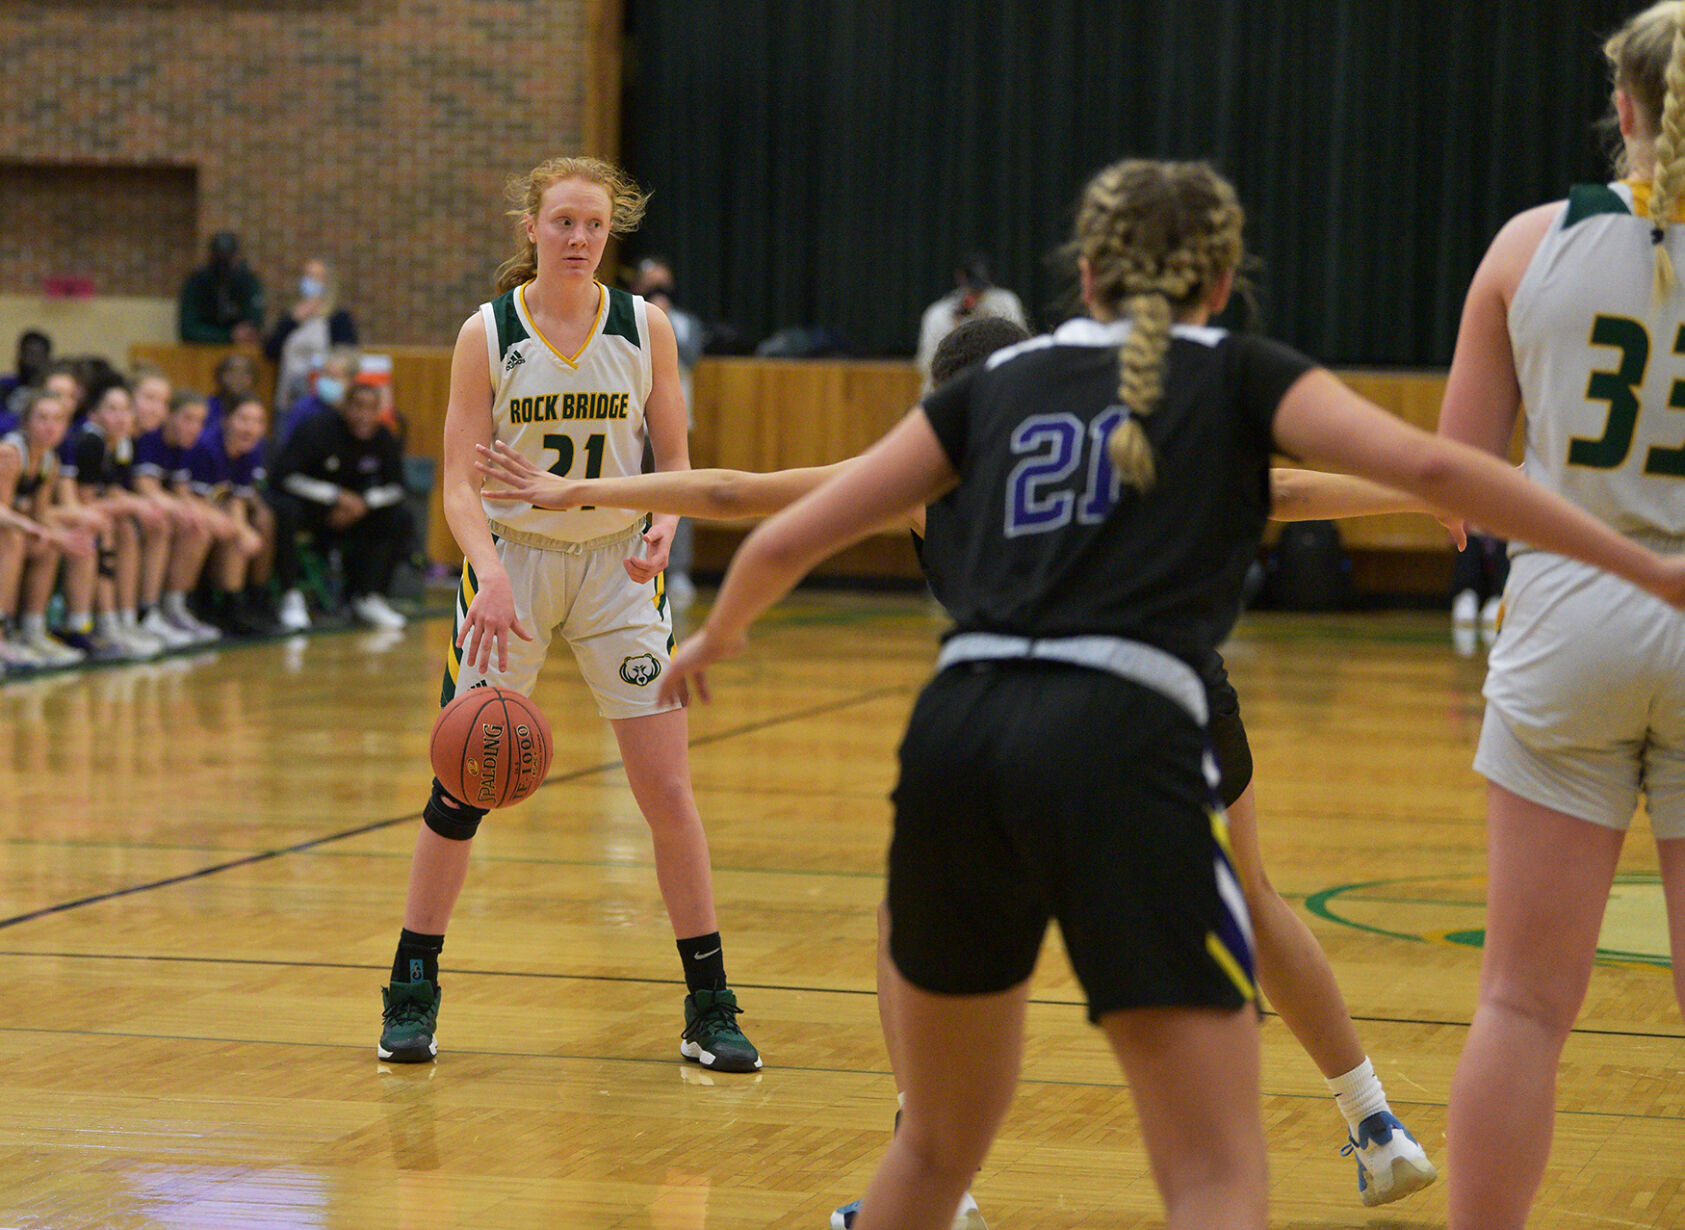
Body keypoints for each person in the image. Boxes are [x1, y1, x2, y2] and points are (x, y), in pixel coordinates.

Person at [648, 158, 1685, 1230]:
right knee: (1211, 1177)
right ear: (1223, 278)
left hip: (958, 736)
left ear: (1085, 272)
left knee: (933, 1155)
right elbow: (1436, 471)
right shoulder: (1233, 372)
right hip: (1123, 735)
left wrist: (715, 635)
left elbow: (776, 529)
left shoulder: (989, 389)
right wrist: (1639, 563)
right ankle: (1368, 1118)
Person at [478, 316, 1454, 1224]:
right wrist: (1424, 490)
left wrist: (583, 491)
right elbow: (1282, 492)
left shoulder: (929, 478)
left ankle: (931, 1164)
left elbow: (740, 493)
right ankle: (1374, 1122)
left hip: (1034, 715)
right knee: (1248, 898)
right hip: (1183, 698)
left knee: (908, 925)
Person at [375, 154, 761, 1075]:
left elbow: (673, 454)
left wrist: (665, 524)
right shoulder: (487, 333)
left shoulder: (644, 327)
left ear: (609, 232)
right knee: (461, 782)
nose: (580, 239)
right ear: (532, 229)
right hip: (514, 564)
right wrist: (486, 573)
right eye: (564, 224)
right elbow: (462, 488)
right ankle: (411, 988)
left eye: (594, 225)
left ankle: (709, 1003)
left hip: (616, 568)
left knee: (667, 793)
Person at [1436, 6, 1685, 1226]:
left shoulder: (1525, 244)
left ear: (1624, 108)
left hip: (1569, 611)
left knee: (1521, 1005)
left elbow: (1457, 484)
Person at [268, 380, 412, 630]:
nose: (364, 415)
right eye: (358, 407)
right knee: (285, 511)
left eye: (371, 408)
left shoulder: (383, 437)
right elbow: (284, 477)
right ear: (344, 407)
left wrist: (364, 503)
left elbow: (398, 487)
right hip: (310, 509)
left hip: (355, 514)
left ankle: (367, 596)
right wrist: (334, 496)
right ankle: (290, 595)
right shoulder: (317, 429)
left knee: (400, 517)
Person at [629, 256, 703, 606]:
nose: (658, 289)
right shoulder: (624, 319)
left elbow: (687, 357)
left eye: (664, 283)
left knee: (674, 494)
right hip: (630, 426)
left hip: (673, 425)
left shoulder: (686, 323)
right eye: (651, 284)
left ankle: (678, 572)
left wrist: (662, 318)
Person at [187, 396, 280, 637]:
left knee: (245, 528)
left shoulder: (249, 450)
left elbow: (236, 498)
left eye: (258, 421)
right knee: (231, 530)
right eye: (244, 419)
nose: (251, 427)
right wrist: (238, 528)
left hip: (214, 506)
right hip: (189, 507)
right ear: (226, 419)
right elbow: (196, 497)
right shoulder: (207, 447)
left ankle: (242, 604)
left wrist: (242, 530)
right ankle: (204, 604)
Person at [913, 254, 1028, 393]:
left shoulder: (1006, 303)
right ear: (960, 279)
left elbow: (1022, 349)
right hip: (949, 389)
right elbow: (926, 364)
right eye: (973, 288)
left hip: (998, 386)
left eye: (981, 289)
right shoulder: (939, 314)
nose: (977, 294)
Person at [265, 258, 359, 414]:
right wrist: (292, 321)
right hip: (287, 396)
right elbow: (270, 351)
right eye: (307, 276)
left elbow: (348, 355)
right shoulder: (290, 315)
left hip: (321, 396)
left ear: (328, 283)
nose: (309, 281)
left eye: (316, 277)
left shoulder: (338, 317)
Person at [178, 231, 265, 345]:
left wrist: (241, 334)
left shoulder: (247, 281)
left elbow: (252, 326)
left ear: (236, 257)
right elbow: (188, 330)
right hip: (200, 350)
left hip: (239, 350)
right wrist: (228, 336)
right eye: (219, 257)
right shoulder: (196, 282)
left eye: (227, 257)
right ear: (210, 256)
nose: (223, 263)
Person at [0, 329, 52, 424]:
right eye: (28, 354)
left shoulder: (52, 389)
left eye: (37, 356)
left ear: (47, 359)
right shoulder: (4, 386)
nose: (31, 361)